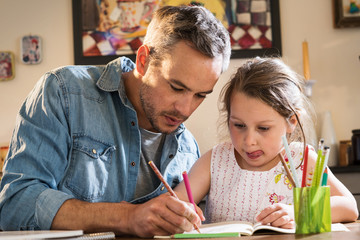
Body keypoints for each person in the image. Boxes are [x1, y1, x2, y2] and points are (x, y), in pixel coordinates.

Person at [0, 5, 231, 237]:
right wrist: (128, 217)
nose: (185, 109)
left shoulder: (188, 150)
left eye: (200, 95)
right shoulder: (64, 91)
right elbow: (15, 203)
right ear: (143, 61)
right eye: (176, 87)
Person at [174, 57, 359, 228]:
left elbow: (349, 207)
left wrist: (300, 212)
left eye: (263, 128)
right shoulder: (214, 160)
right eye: (239, 125)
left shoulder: (302, 159)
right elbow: (176, 202)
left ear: (291, 122)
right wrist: (181, 212)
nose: (249, 141)